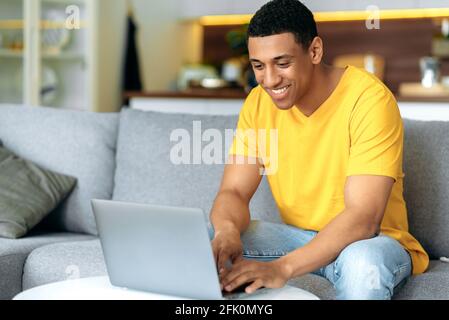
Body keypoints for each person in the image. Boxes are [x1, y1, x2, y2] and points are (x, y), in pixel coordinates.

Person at [209, 0, 429, 300]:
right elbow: (233, 191)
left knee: (363, 263)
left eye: (282, 63)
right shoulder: (258, 103)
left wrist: (282, 268)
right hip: (299, 239)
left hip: (372, 242)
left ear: (314, 51)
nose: (270, 80)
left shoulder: (369, 100)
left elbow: (363, 218)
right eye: (259, 66)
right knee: (206, 238)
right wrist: (226, 230)